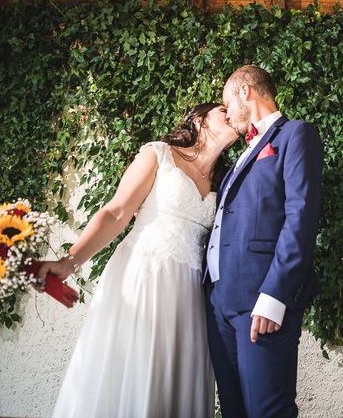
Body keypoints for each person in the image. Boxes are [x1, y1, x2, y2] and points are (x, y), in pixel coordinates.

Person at [37, 103, 238, 417]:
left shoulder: (226, 181)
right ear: (199, 120)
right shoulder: (159, 154)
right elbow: (116, 212)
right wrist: (69, 262)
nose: (231, 113)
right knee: (135, 371)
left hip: (190, 297)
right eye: (222, 109)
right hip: (145, 276)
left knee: (173, 382)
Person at [205, 65, 323, 417]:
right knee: (234, 412)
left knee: (268, 412)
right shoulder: (240, 155)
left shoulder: (296, 135)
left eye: (228, 104)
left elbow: (300, 218)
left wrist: (275, 295)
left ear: (245, 92)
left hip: (261, 301)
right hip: (219, 304)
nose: (227, 115)